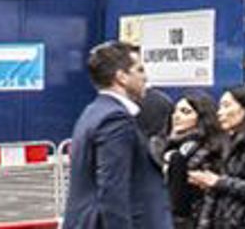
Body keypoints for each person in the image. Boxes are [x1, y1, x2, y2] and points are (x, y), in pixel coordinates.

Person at [60, 41, 172, 229]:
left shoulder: (94, 111)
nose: (146, 77)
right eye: (140, 70)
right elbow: (113, 190)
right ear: (122, 77)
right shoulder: (115, 119)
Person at [188, 86, 245, 229]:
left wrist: (218, 181)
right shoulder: (235, 141)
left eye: (226, 106)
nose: (220, 113)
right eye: (219, 107)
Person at [161, 92, 224, 229]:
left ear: (201, 117)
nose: (176, 116)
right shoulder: (169, 147)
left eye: (185, 112)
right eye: (175, 111)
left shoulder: (209, 150)